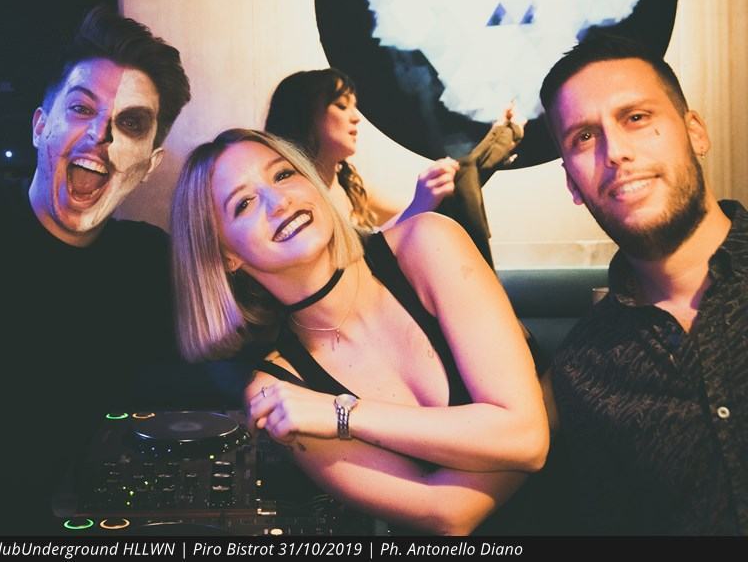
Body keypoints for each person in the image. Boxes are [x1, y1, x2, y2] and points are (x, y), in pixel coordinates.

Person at [0, 7, 214, 534]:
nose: (101, 136)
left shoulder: (151, 266)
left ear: (149, 163)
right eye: (81, 108)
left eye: (131, 124)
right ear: (40, 126)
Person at [170, 128, 549, 534]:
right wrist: (541, 413)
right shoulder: (278, 388)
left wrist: (341, 415)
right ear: (227, 255)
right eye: (243, 203)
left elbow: (526, 440)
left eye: (282, 175)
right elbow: (445, 515)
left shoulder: (427, 242)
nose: (279, 202)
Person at [540, 32, 747, 534]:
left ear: (695, 132)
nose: (614, 152)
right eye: (584, 137)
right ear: (571, 183)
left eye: (635, 117)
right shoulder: (583, 371)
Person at [265, 69, 523, 265]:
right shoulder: (294, 197)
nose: (356, 117)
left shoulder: (348, 185)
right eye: (342, 106)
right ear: (305, 116)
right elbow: (351, 262)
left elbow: (432, 212)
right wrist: (419, 204)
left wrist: (494, 142)